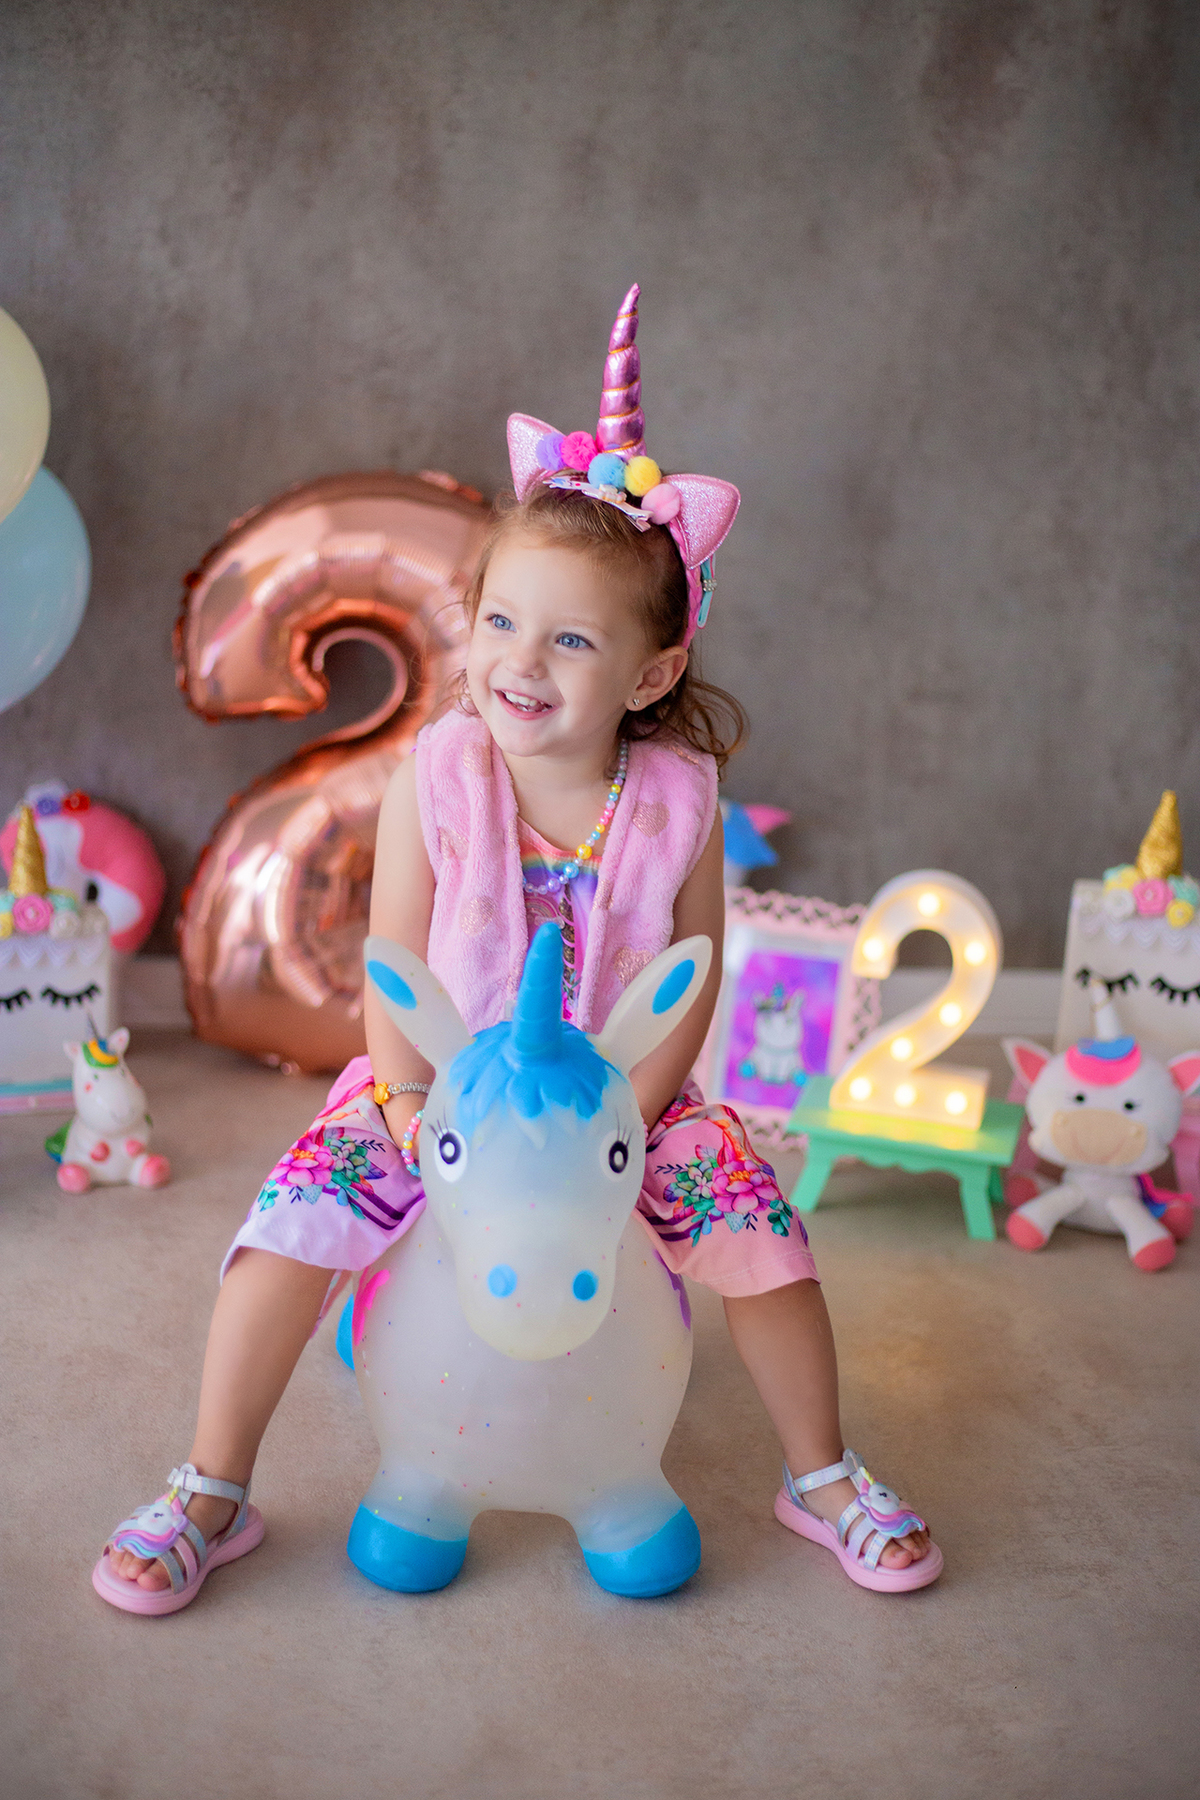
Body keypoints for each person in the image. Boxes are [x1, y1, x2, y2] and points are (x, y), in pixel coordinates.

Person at [94, 287, 940, 1614]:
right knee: (286, 1232)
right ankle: (212, 1482)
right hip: (432, 1087)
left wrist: (627, 1112)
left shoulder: (678, 801)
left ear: (649, 677)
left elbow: (691, 973)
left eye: (569, 639)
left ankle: (821, 1470)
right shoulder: (440, 773)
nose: (518, 663)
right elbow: (393, 963)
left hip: (624, 1101)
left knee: (768, 1242)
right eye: (497, 622)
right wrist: (414, 1100)